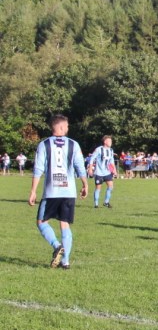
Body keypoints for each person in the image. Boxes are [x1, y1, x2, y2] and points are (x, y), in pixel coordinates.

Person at [28, 114, 88, 269]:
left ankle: (56, 246)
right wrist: (85, 184)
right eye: (67, 126)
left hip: (51, 192)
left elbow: (38, 169)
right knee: (64, 223)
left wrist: (33, 191)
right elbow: (80, 166)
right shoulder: (74, 144)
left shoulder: (44, 144)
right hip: (69, 192)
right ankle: (65, 261)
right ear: (61, 127)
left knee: (41, 222)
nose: (68, 128)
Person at [88, 135, 116, 209]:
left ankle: (106, 202)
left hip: (107, 172)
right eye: (109, 141)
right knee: (98, 188)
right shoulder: (98, 149)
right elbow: (92, 159)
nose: (111, 142)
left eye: (111, 141)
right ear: (105, 142)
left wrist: (114, 170)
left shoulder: (111, 150)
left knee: (111, 186)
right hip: (99, 173)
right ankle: (96, 204)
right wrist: (90, 169)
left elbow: (112, 161)